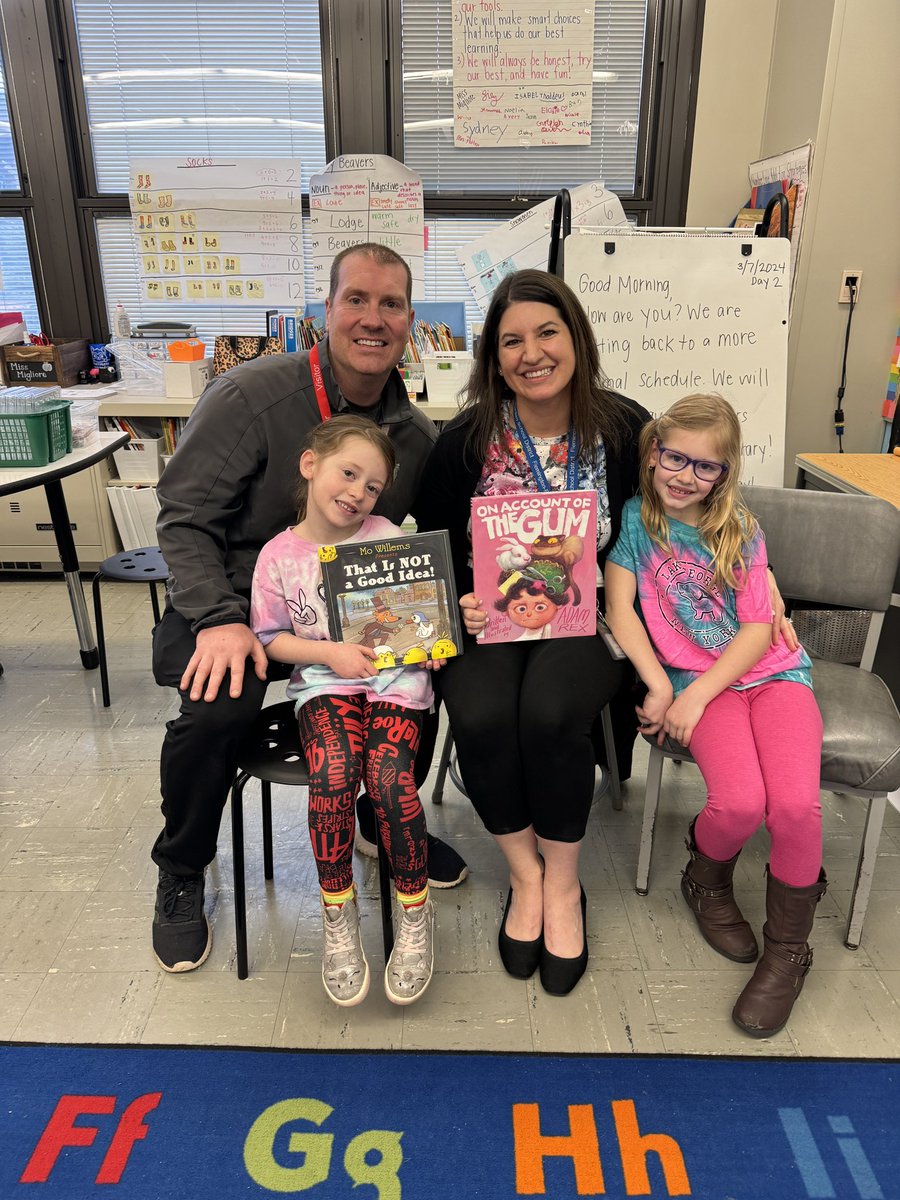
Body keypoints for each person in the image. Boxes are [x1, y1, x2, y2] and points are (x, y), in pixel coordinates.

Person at [150, 242, 467, 975]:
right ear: (326, 310)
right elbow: (183, 518)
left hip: (348, 620)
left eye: (391, 304)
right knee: (215, 708)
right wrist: (219, 618)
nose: (372, 318)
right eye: (356, 299)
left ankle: (384, 817)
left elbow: (431, 546)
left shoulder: (414, 437)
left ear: (410, 321)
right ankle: (183, 866)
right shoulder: (250, 395)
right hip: (236, 600)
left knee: (439, 669)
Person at [414, 269, 652, 996]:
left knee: (549, 715)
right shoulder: (465, 441)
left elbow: (675, 526)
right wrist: (457, 597)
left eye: (547, 332)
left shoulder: (625, 429)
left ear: (576, 337)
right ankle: (526, 876)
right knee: (483, 715)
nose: (532, 353)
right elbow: (431, 547)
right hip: (490, 618)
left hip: (591, 616)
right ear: (494, 358)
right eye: (511, 341)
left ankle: (565, 884)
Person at [605, 393, 826, 1037]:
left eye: (706, 467)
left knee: (795, 809)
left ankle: (788, 952)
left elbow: (758, 629)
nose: (685, 476)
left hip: (771, 674)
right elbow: (620, 610)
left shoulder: (740, 529)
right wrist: (661, 685)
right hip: (695, 684)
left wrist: (696, 695)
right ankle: (705, 881)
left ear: (725, 473)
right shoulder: (637, 520)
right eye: (675, 457)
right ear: (653, 452)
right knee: (739, 806)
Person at [250, 415, 436, 1006]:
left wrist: (435, 635)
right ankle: (338, 910)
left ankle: (414, 909)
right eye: (348, 474)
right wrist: (330, 653)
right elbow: (272, 639)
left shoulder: (386, 534)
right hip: (325, 682)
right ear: (310, 465)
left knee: (389, 780)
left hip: (394, 679)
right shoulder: (278, 556)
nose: (358, 493)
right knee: (333, 774)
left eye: (372, 486)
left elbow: (420, 611)